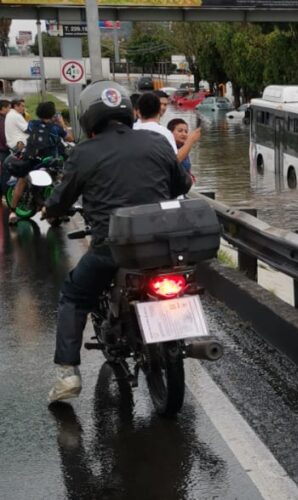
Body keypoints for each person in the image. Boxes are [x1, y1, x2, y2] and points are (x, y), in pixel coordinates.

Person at [44, 80, 192, 402]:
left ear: (87, 117)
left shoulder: (83, 152)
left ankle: (67, 374)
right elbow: (182, 184)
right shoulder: (156, 142)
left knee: (73, 295)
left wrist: (51, 210)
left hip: (112, 249)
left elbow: (59, 199)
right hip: (163, 245)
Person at [7, 101, 73, 224]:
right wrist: (61, 123)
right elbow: (70, 138)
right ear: (53, 113)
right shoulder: (56, 128)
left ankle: (12, 212)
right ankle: (58, 209)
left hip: (32, 160)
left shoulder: (32, 124)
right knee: (61, 180)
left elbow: (28, 131)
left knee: (21, 181)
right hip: (50, 161)